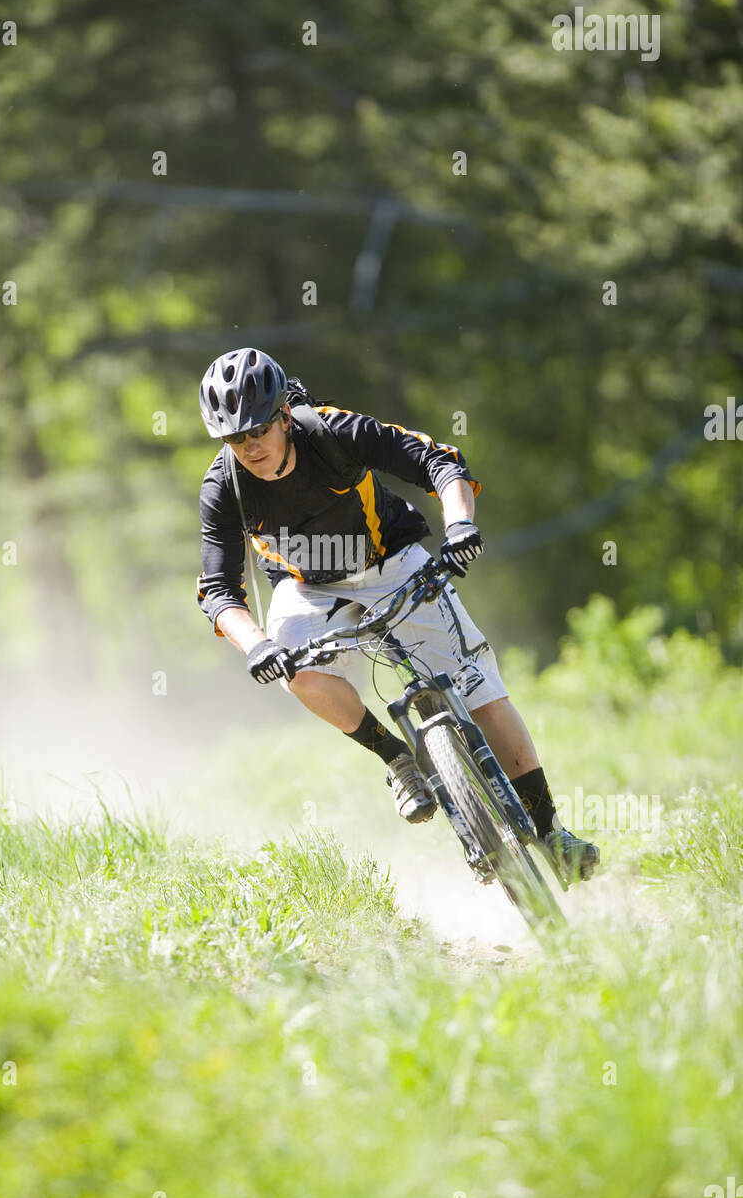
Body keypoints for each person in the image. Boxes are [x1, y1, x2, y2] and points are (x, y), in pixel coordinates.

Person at [196, 347, 599, 883]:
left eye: (258, 432)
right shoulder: (224, 486)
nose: (249, 448)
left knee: (479, 688)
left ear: (284, 418)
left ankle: (550, 832)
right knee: (293, 667)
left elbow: (437, 459)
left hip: (390, 557)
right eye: (234, 438)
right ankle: (397, 759)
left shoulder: (334, 432)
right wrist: (257, 646)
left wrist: (459, 526)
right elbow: (218, 589)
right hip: (306, 586)